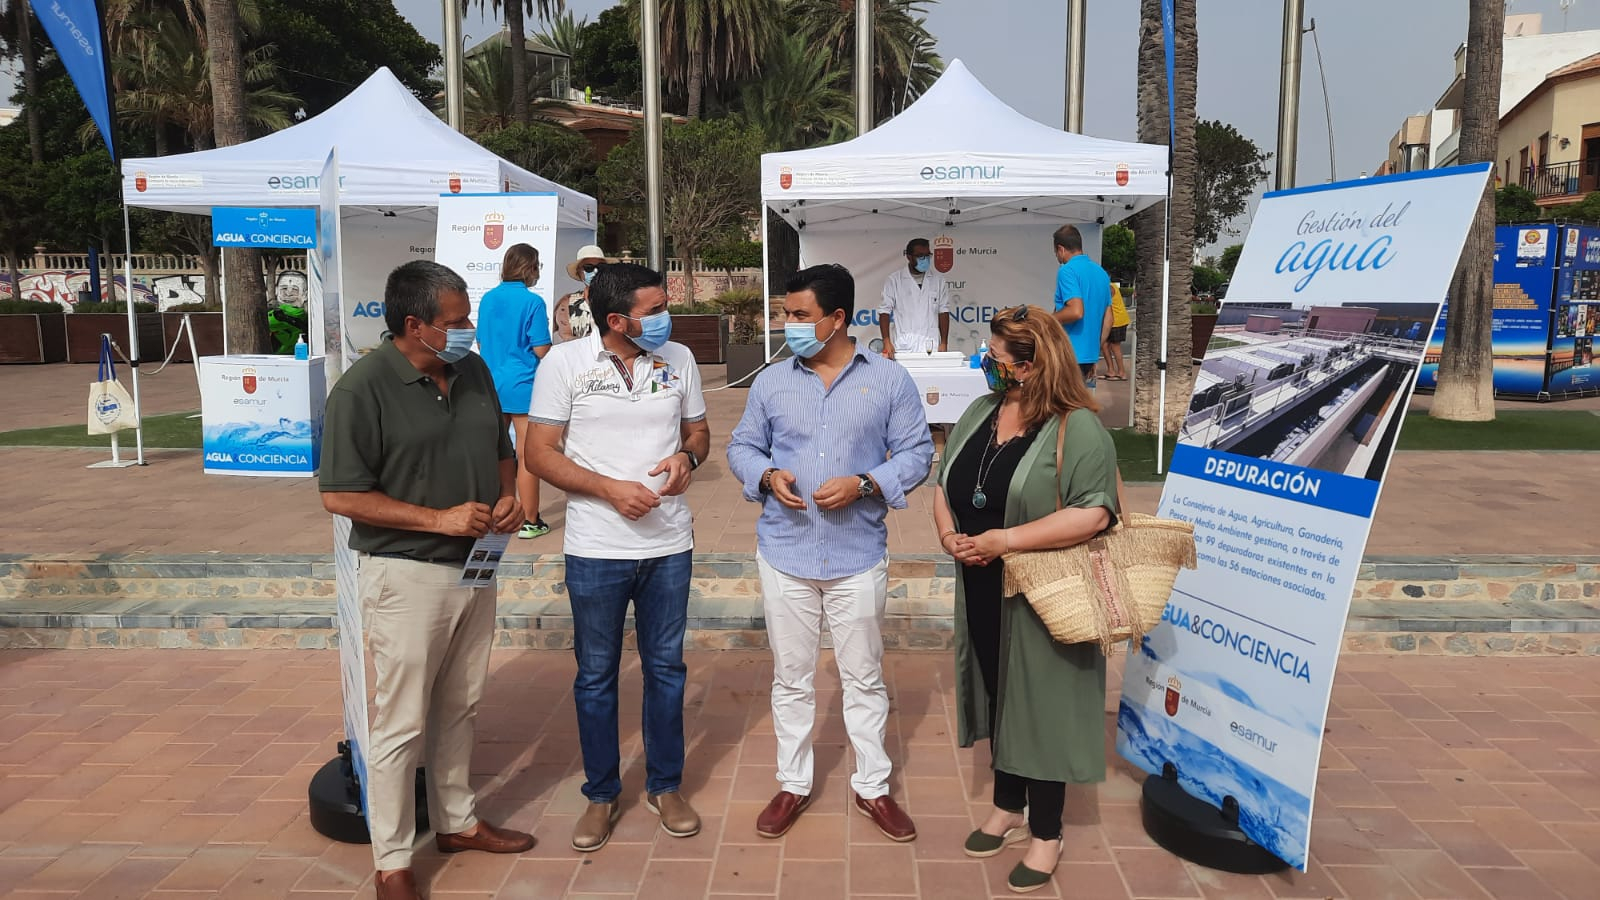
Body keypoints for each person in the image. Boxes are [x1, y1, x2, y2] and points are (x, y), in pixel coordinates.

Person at [319, 261, 536, 900]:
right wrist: (435, 518)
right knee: (401, 721)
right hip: (405, 575)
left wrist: (507, 497)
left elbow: (503, 449)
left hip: (475, 567)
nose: (468, 328)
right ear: (414, 325)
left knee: (460, 704)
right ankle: (392, 861)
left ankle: (457, 822)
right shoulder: (362, 390)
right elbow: (339, 495)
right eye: (457, 319)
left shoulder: (472, 370)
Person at [727, 264, 932, 844]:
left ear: (837, 319)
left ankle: (873, 788)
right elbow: (742, 445)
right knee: (791, 678)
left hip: (856, 553)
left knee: (863, 677)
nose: (787, 325)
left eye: (798, 316)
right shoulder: (772, 381)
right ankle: (793, 782)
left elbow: (917, 455)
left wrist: (865, 483)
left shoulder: (889, 381)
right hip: (785, 551)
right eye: (786, 314)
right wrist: (766, 476)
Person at [932, 305, 1119, 895]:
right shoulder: (981, 411)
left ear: (1032, 367)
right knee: (998, 693)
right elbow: (944, 482)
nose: (987, 363)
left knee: (1043, 706)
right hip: (983, 583)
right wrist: (947, 535)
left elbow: (1096, 509)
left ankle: (1048, 832)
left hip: (1045, 591)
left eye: (997, 357)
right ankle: (1007, 805)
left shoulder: (1076, 426)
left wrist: (1005, 539)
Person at [525, 262, 711, 853]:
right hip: (596, 549)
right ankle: (602, 794)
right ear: (615, 319)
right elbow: (539, 454)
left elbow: (699, 434)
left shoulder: (678, 359)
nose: (665, 318)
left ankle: (665, 785)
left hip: (668, 546)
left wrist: (688, 460)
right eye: (653, 310)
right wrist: (609, 489)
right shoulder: (564, 365)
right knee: (597, 677)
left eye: (664, 307)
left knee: (665, 671)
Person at [476, 243, 554, 540]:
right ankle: (529, 520)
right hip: (523, 384)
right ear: (530, 267)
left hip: (491, 382)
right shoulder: (532, 302)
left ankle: (497, 514)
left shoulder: (487, 299)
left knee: (496, 453)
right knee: (527, 454)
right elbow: (542, 348)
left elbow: (482, 343)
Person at [1050, 225, 1112, 388]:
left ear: (1061, 249)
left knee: (1063, 408)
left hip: (1068, 356)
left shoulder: (1067, 270)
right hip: (1089, 357)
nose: (1057, 257)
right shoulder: (1101, 273)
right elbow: (1108, 319)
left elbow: (1076, 311)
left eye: (1056, 253)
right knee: (1080, 407)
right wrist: (1094, 350)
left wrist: (1047, 320)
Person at [878, 237, 950, 359]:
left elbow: (943, 312)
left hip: (931, 345)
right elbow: (884, 312)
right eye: (920, 256)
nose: (925, 259)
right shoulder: (895, 280)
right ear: (909, 257)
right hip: (904, 345)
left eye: (927, 255)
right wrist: (886, 341)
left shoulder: (938, 281)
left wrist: (944, 342)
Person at [553, 244, 611, 343]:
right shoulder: (567, 303)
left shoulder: (619, 299)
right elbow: (564, 335)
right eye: (588, 267)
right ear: (579, 272)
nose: (596, 271)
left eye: (601, 266)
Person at [1099, 281, 1130, 382]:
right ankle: (1111, 371)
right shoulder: (1106, 287)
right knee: (1104, 345)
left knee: (1115, 346)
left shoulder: (1109, 287)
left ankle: (1122, 372)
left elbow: (1103, 302)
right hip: (1110, 321)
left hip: (1117, 320)